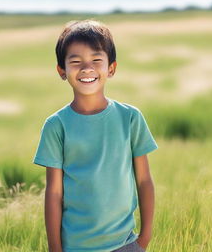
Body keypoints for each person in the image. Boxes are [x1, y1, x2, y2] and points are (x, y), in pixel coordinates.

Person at [33, 19, 158, 252]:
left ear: (111, 68)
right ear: (62, 71)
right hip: (75, 247)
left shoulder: (130, 118)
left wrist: (144, 238)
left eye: (96, 60)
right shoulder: (56, 126)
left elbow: (144, 180)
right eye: (76, 61)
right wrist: (55, 249)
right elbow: (54, 193)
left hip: (126, 244)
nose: (87, 68)